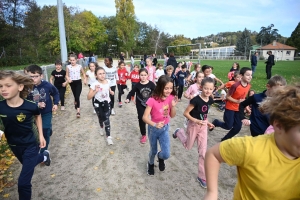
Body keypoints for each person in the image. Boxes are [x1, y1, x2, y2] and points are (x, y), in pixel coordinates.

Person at [204, 84, 300, 200]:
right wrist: (212, 193)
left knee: (233, 127)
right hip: (232, 111)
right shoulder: (251, 148)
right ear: (279, 125)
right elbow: (213, 154)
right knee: (229, 125)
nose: (249, 77)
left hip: (255, 125)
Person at [0, 70, 51, 200]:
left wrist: (41, 135)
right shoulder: (0, 107)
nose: (3, 89)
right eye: (1, 86)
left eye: (8, 85)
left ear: (20, 87)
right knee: (31, 162)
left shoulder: (31, 106)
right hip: (14, 145)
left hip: (30, 144)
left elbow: (38, 116)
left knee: (23, 183)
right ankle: (44, 157)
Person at [173, 77, 215, 188]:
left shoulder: (210, 99)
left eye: (210, 89)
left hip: (203, 127)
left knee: (203, 152)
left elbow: (204, 114)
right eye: (206, 88)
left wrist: (208, 123)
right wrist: (196, 121)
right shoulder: (195, 100)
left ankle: (202, 176)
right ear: (201, 87)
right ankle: (179, 132)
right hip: (193, 125)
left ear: (213, 89)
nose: (208, 91)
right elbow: (185, 113)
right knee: (188, 146)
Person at [142, 75, 178, 176]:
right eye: (166, 88)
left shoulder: (171, 98)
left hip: (165, 128)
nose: (169, 91)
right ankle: (150, 163)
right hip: (153, 129)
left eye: (171, 88)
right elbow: (144, 117)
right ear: (160, 87)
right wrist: (154, 124)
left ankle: (160, 157)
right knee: (153, 151)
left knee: (166, 154)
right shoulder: (152, 100)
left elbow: (172, 115)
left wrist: (173, 107)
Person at [211, 67, 252, 141]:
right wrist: (237, 101)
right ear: (241, 75)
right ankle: (216, 122)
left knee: (237, 128)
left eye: (251, 75)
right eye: (248, 75)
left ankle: (224, 140)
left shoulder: (249, 86)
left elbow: (243, 98)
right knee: (228, 126)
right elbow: (227, 97)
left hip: (239, 109)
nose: (250, 77)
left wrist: (247, 108)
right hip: (230, 107)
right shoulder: (235, 86)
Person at [26, 65, 59, 153]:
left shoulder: (47, 85)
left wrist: (55, 103)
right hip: (32, 113)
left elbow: (55, 93)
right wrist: (37, 104)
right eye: (30, 77)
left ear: (41, 76)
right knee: (36, 131)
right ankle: (47, 129)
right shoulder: (26, 87)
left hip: (46, 112)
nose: (33, 79)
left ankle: (43, 151)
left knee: (45, 130)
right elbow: (24, 100)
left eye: (35, 76)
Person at [125, 68, 156, 144]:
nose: (143, 77)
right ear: (139, 76)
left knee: (153, 117)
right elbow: (131, 93)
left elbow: (157, 93)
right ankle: (144, 135)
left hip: (150, 104)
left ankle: (154, 131)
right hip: (140, 104)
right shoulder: (137, 85)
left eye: (145, 75)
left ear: (147, 75)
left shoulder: (151, 84)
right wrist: (128, 98)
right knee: (142, 118)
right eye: (141, 75)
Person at [87, 67, 114, 145]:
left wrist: (111, 91)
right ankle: (101, 127)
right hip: (98, 104)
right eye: (100, 74)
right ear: (96, 75)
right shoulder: (94, 84)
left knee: (107, 119)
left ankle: (108, 136)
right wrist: (96, 91)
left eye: (103, 73)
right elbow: (88, 97)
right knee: (101, 118)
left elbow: (108, 87)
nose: (102, 75)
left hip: (107, 103)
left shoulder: (108, 81)